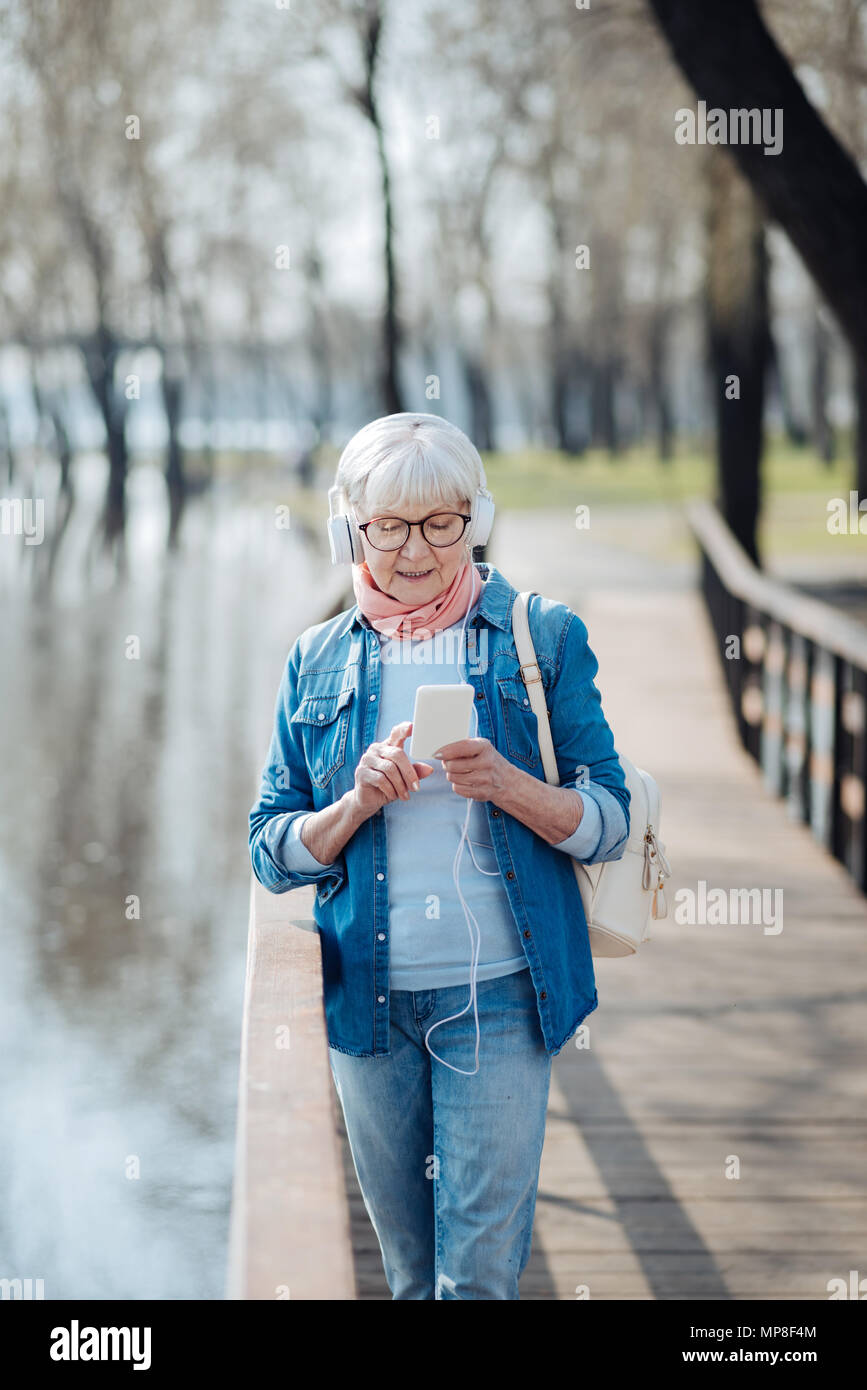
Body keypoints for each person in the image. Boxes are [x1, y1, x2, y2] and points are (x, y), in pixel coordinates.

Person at [249, 412, 630, 1300]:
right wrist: (353, 803)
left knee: (479, 1279)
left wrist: (510, 785)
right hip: (368, 1012)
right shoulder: (313, 661)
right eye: (389, 526)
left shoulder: (544, 639)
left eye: (440, 522)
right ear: (353, 528)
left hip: (501, 996)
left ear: (477, 520)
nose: (414, 550)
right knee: (410, 1275)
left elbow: (610, 820)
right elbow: (270, 851)